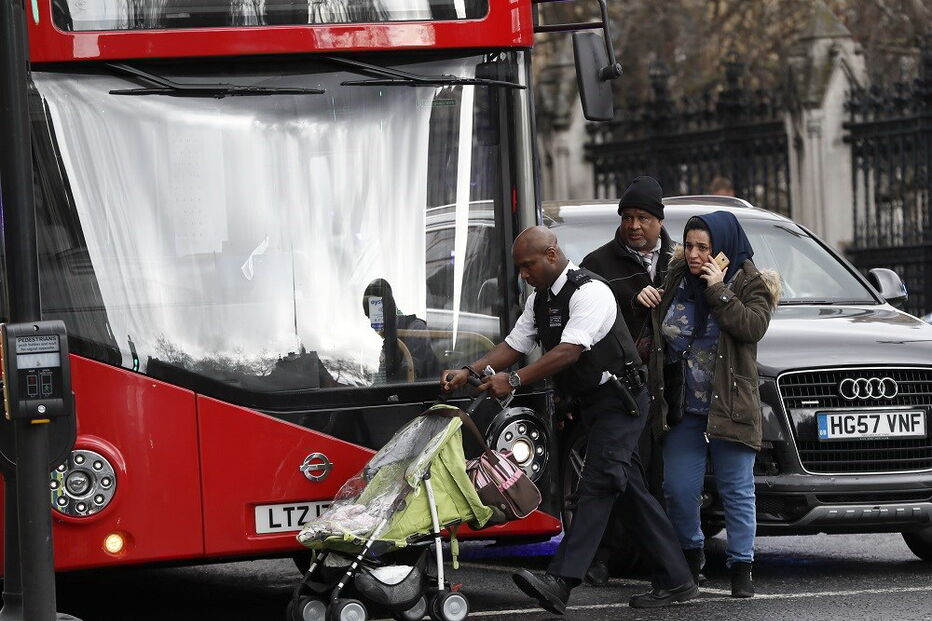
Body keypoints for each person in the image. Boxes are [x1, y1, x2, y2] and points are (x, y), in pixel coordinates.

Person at [441, 226, 697, 613]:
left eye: (528, 266)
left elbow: (569, 351)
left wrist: (512, 380)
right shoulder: (540, 299)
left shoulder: (590, 292)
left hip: (621, 401)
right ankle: (678, 579)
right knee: (626, 488)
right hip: (592, 403)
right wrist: (470, 370)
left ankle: (562, 580)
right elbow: (514, 345)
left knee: (598, 482)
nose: (523, 275)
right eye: (519, 268)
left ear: (551, 254)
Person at [639, 211, 779, 598]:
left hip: (731, 404)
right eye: (690, 246)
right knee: (678, 489)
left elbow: (752, 327)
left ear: (723, 247)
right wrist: (648, 302)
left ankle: (741, 568)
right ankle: (691, 558)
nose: (696, 254)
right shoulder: (676, 278)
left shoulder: (750, 282)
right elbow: (661, 335)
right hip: (683, 405)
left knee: (737, 489)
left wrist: (718, 289)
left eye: (704, 247)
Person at [579, 175, 674, 584]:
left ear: (659, 221)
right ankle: (603, 557)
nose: (634, 226)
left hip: (671, 386)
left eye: (643, 218)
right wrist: (631, 305)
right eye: (628, 217)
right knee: (617, 473)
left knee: (656, 477)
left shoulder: (680, 259)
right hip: (621, 388)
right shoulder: (597, 265)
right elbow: (587, 326)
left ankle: (659, 561)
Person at [363, 278, 439, 382]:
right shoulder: (389, 342)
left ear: (386, 311)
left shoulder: (415, 329)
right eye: (370, 318)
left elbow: (407, 375)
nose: (372, 325)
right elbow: (383, 380)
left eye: (375, 317)